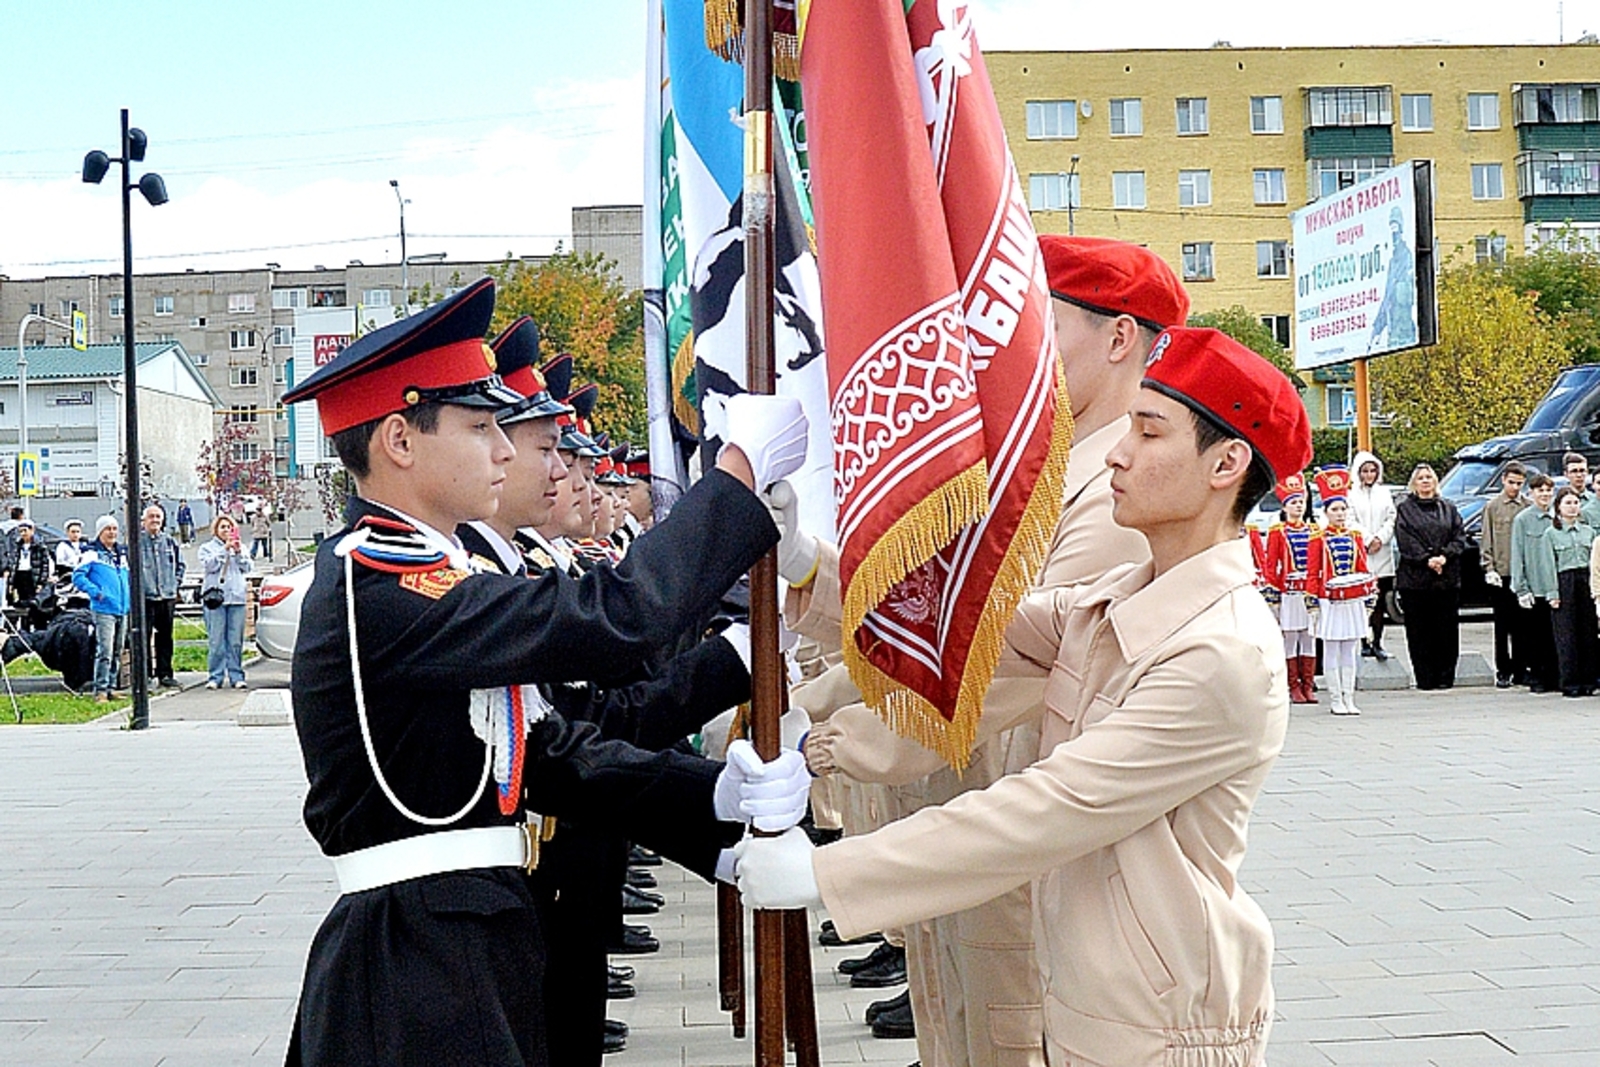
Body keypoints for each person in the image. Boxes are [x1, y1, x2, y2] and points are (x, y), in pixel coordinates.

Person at [738, 325, 1312, 1067]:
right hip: (1095, 996)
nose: (1116, 450)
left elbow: (1047, 806)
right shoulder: (1119, 599)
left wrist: (826, 876)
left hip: (1165, 1027)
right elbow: (962, 624)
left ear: (1226, 463)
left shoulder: (1221, 653)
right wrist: (812, 565)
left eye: (1148, 430)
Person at [276, 277, 812, 1067]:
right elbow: (613, 619)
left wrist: (707, 800)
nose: (504, 449)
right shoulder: (382, 584)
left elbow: (548, 755)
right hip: (415, 961)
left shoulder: (430, 576)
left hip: (461, 939)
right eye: (481, 425)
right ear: (399, 440)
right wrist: (731, 478)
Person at [787, 234, 1182, 1067]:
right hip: (961, 827)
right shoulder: (1029, 477)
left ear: (1119, 339)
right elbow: (928, 617)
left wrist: (823, 735)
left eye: (1044, 324)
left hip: (1020, 854)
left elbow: (992, 666)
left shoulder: (1114, 500)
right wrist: (807, 576)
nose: (1013, 349)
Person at [1307, 467, 1377, 716]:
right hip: (1329, 600)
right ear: (1325, 512)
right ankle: (1335, 698)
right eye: (1334, 510)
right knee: (1332, 649)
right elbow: (1312, 572)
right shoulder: (1318, 538)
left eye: (1343, 509)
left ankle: (1349, 696)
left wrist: (1367, 592)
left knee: (1350, 649)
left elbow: (1361, 566)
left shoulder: (1356, 536)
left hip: (1352, 600)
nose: (1339, 514)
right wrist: (1313, 603)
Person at [1394, 463, 1467, 690]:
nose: (1425, 481)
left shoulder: (1449, 508)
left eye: (1429, 477)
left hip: (1446, 579)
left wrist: (1444, 557)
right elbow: (1405, 540)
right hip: (1415, 580)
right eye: (1421, 478)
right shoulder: (1405, 509)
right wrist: (1427, 559)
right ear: (1414, 483)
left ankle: (1446, 677)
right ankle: (1425, 678)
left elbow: (1459, 536)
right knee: (1419, 632)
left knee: (1446, 631)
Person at [1264, 472, 1319, 704]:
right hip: (1289, 592)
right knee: (1290, 638)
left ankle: (1308, 685)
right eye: (1293, 503)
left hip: (1308, 591)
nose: (1298, 507)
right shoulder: (1278, 530)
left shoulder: (1313, 530)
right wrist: (1276, 590)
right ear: (1285, 506)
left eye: (1300, 502)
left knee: (1309, 637)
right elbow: (1271, 563)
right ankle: (1292, 685)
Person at [1537, 487, 1597, 697]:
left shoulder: (1588, 532)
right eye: (1567, 503)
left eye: (1575, 503)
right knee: (1567, 634)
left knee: (1588, 633)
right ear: (1558, 508)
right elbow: (1547, 566)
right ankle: (1570, 682)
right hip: (1564, 582)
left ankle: (1589, 680)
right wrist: (1552, 593)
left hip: (1585, 580)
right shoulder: (1551, 534)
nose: (1572, 507)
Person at [1479, 462, 1529, 687]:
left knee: (1522, 625)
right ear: (1503, 480)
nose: (1515, 488)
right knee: (1502, 625)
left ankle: (1521, 668)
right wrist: (1489, 568)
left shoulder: (1527, 506)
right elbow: (1486, 540)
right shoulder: (1492, 506)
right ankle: (1503, 669)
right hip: (1502, 572)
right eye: (1511, 482)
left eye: (1519, 484)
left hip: (1522, 575)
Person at [1511, 473, 1560, 693]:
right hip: (1535, 587)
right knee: (1536, 637)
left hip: (1556, 588)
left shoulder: (1559, 517)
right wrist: (1520, 587)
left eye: (1548, 490)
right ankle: (1538, 677)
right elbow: (1517, 553)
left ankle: (1556, 676)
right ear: (1531, 493)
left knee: (1556, 636)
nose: (1545, 495)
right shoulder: (1523, 519)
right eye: (1540, 490)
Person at [73, 516, 130, 703]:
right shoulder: (92, 553)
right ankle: (101, 690)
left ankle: (112, 686)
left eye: (114, 528)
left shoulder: (121, 554)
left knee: (117, 650)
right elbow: (78, 577)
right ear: (100, 532)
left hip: (122, 607)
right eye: (108, 529)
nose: (112, 532)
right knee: (104, 650)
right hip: (104, 607)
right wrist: (95, 592)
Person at [1348, 449, 1397, 660]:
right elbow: (1349, 520)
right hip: (1361, 554)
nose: (1369, 475)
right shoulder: (1350, 495)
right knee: (1361, 603)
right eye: (1365, 471)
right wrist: (1367, 539)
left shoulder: (1384, 493)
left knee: (1378, 602)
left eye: (1372, 471)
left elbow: (1391, 518)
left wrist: (1380, 538)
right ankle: (1363, 642)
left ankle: (1377, 641)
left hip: (1382, 554)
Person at [199, 515, 252, 690]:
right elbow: (209, 566)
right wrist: (224, 550)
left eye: (229, 527)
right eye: (223, 527)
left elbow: (248, 568)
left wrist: (237, 552)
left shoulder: (241, 547)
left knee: (235, 641)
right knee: (216, 640)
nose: (226, 531)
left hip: (236, 598)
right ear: (216, 530)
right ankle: (215, 676)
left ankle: (236, 675)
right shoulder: (206, 548)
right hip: (216, 599)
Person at [138, 504, 185, 688]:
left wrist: (174, 584)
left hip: (167, 597)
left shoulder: (169, 541)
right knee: (143, 637)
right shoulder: (137, 541)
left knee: (165, 637)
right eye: (151, 516)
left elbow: (180, 565)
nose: (155, 520)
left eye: (158, 516)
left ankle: (165, 674)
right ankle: (146, 676)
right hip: (146, 598)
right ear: (144, 520)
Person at [8, 518, 53, 606]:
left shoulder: (40, 546)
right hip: (20, 574)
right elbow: (13, 564)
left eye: (25, 530)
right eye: (21, 531)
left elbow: (45, 565)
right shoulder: (17, 545)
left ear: (32, 530)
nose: (23, 534)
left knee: (32, 601)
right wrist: (11, 582)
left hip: (32, 575)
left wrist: (41, 582)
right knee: (20, 601)